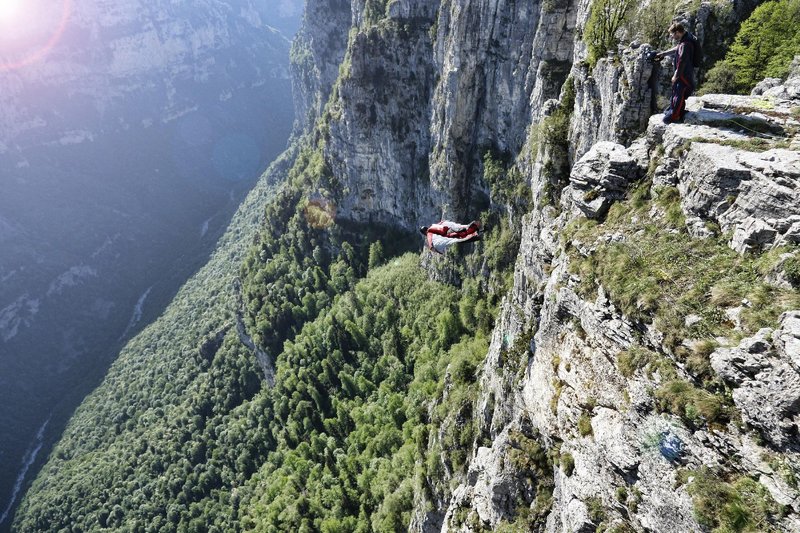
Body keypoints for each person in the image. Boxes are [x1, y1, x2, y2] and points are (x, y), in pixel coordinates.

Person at [655, 23, 698, 124]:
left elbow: (682, 60)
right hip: (685, 72)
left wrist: (676, 75)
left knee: (678, 93)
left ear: (678, 32)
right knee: (678, 93)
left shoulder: (685, 44)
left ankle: (673, 116)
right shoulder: (686, 38)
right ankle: (679, 112)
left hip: (683, 74)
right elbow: (677, 48)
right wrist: (663, 53)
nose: (671, 36)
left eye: (672, 34)